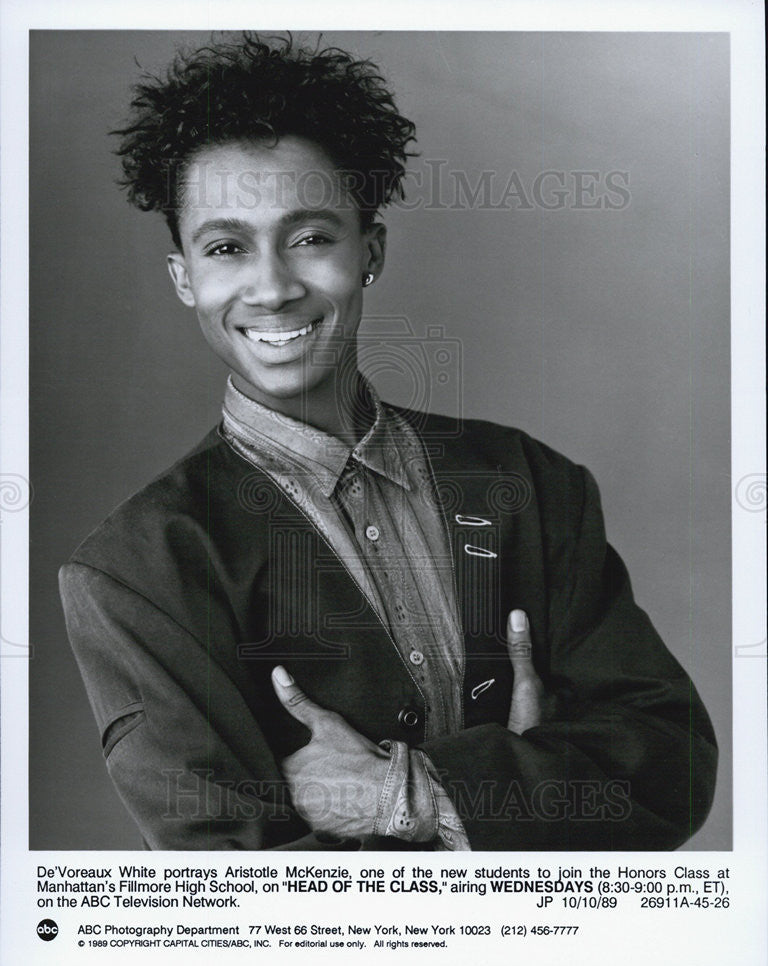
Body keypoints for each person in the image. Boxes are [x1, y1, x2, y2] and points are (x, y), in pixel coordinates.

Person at [59, 32, 717, 851]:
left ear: (370, 250)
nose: (271, 286)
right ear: (185, 277)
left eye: (310, 237)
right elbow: (230, 901)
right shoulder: (135, 571)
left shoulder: (532, 484)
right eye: (226, 247)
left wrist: (406, 795)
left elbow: (669, 762)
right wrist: (529, 779)